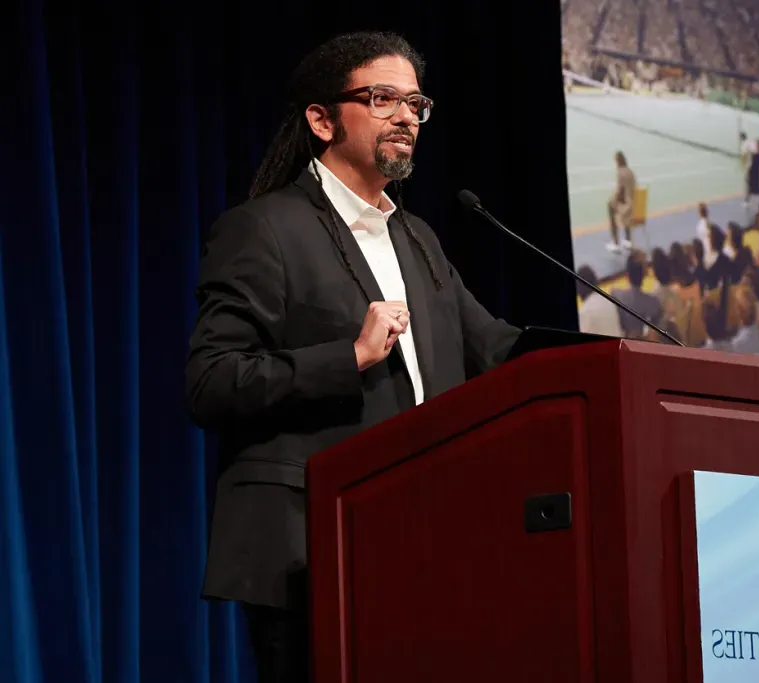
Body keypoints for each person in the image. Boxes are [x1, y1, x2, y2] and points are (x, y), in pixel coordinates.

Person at [184, 31, 521, 683]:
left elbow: (497, 347)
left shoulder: (417, 237)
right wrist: (351, 355)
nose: (405, 116)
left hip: (426, 545)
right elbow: (211, 381)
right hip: (312, 551)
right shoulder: (263, 229)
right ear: (321, 118)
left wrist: (620, 355)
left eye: (416, 103)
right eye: (383, 98)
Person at [606, 150, 636, 253]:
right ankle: (628, 239)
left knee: (610, 206)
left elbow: (619, 192)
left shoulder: (620, 173)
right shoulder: (630, 171)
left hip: (628, 208)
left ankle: (615, 243)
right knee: (616, 204)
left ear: (617, 161)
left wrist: (612, 200)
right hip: (636, 205)